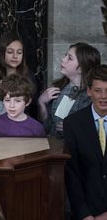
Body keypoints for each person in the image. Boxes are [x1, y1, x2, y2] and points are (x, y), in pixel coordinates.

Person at [64, 64, 107, 220]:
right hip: (85, 212)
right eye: (98, 90)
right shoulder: (73, 124)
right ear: (89, 91)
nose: (104, 96)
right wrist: (85, 215)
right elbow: (72, 174)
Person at [38, 42, 101, 136]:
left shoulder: (94, 97)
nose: (63, 59)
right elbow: (47, 128)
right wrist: (41, 102)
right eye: (65, 55)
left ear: (81, 68)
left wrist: (74, 129)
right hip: (54, 147)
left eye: (69, 58)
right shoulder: (57, 89)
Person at [0, 32, 37, 117]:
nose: (15, 56)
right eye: (10, 52)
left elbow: (33, 108)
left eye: (19, 52)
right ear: (2, 53)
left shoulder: (29, 77)